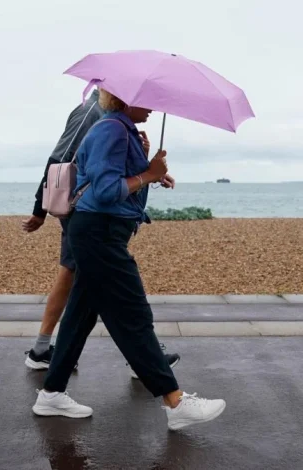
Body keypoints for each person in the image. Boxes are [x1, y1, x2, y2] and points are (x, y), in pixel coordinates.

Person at [32, 89, 226, 431]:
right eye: (146, 100)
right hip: (99, 234)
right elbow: (106, 191)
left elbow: (109, 178)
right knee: (132, 313)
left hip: (96, 232)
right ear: (123, 98)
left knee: (80, 315)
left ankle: (51, 393)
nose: (152, 107)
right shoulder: (112, 130)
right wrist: (148, 174)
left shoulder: (121, 129)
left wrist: (152, 174)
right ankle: (175, 401)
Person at [21, 88, 181, 378]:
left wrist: (147, 167)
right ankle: (150, 365)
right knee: (98, 285)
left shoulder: (117, 123)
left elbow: (113, 167)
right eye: (143, 96)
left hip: (93, 212)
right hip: (85, 211)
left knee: (85, 291)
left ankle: (48, 366)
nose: (153, 106)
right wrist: (40, 209)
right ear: (123, 92)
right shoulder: (94, 114)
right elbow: (60, 157)